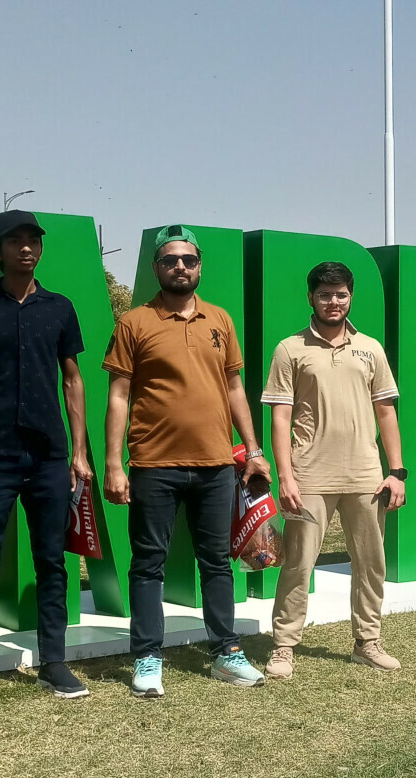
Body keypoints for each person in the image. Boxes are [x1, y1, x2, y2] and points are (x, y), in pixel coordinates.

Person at [102, 225, 270, 697]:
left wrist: (253, 451)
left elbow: (235, 388)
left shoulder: (220, 319)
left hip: (217, 464)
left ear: (199, 267)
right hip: (154, 464)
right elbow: (118, 396)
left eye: (189, 260)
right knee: (148, 563)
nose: (181, 267)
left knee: (217, 561)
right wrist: (114, 464)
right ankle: (147, 658)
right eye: (171, 260)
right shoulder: (134, 323)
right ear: (157, 268)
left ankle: (226, 653)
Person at [0, 210, 93, 708]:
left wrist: (79, 452)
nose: (26, 248)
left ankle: (54, 663)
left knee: (53, 561)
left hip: (50, 455)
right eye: (15, 241)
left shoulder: (59, 307)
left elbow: (73, 379)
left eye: (33, 240)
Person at [261, 262, 406, 679]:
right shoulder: (290, 349)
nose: (333, 302)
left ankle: (368, 642)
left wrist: (397, 471)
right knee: (298, 565)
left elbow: (386, 411)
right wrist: (286, 476)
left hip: (365, 474)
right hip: (309, 474)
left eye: (341, 294)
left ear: (350, 296)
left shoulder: (371, 348)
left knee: (370, 563)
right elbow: (280, 418)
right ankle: (284, 646)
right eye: (325, 295)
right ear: (311, 298)